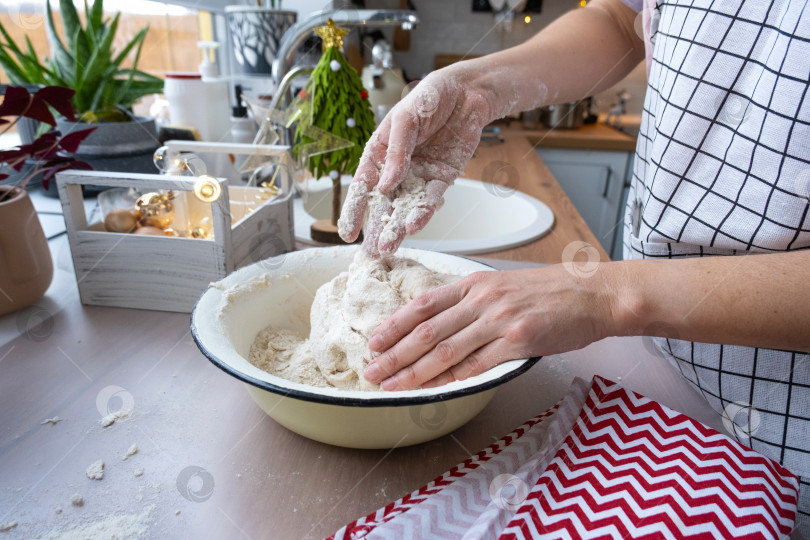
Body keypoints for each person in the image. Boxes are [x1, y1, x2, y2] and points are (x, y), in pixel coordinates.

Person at [337, 0, 810, 531]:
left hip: (784, 446)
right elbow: (617, 18)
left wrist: (612, 295)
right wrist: (478, 86)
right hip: (652, 387)